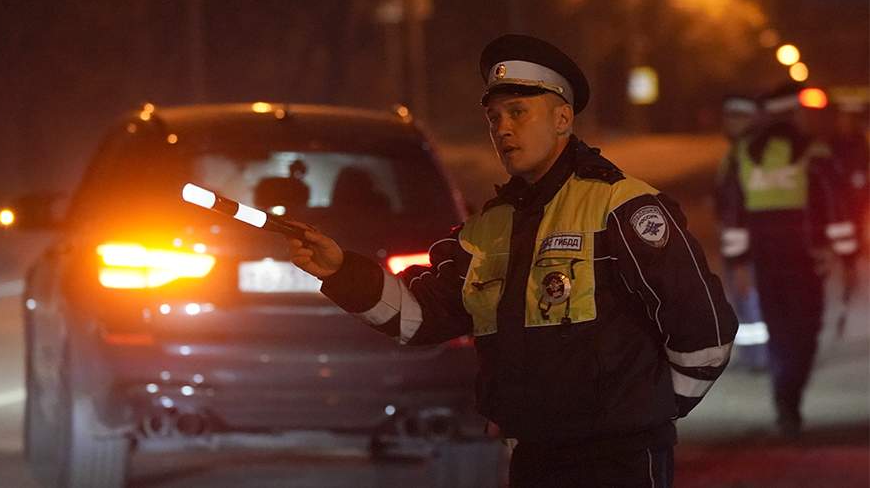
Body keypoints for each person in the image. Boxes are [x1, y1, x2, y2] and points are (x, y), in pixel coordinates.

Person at [288, 34, 738, 487]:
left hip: (617, 462)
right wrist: (341, 271)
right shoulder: (488, 228)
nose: (503, 129)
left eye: (518, 113)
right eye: (494, 117)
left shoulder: (621, 207)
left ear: (563, 118)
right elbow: (419, 317)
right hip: (532, 459)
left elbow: (707, 334)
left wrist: (648, 411)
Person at [715, 82, 858, 439]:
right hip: (807, 259)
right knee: (804, 332)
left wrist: (739, 264)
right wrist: (847, 256)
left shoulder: (744, 153)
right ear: (795, 112)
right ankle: (789, 399)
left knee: (778, 331)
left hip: (765, 260)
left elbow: (733, 214)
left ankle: (785, 401)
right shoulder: (814, 152)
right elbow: (836, 207)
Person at [715, 95, 768, 370]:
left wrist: (738, 262)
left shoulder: (743, 153)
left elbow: (736, 209)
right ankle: (759, 355)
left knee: (749, 296)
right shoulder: (745, 149)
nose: (729, 122)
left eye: (737, 116)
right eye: (728, 115)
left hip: (745, 244)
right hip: (755, 240)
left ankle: (759, 358)